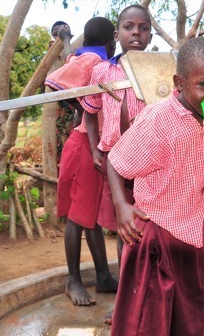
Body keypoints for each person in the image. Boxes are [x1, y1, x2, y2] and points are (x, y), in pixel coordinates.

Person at [106, 36, 204, 336]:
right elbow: (115, 160)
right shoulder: (158, 118)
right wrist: (122, 208)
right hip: (155, 236)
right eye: (203, 85)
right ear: (179, 82)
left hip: (192, 233)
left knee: (191, 316)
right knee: (146, 321)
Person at [80, 4, 153, 324]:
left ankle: (150, 296)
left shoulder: (159, 70)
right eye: (129, 27)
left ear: (150, 34)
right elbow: (90, 112)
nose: (136, 33)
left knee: (150, 231)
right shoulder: (102, 71)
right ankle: (126, 301)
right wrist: (96, 149)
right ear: (117, 34)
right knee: (124, 233)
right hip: (114, 162)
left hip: (151, 162)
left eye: (143, 28)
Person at [44, 16, 119, 306]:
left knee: (91, 218)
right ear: (111, 39)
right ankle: (73, 280)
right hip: (83, 147)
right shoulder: (92, 59)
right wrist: (82, 104)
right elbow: (57, 81)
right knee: (78, 217)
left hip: (93, 145)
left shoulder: (89, 57)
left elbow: (69, 65)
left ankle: (102, 276)